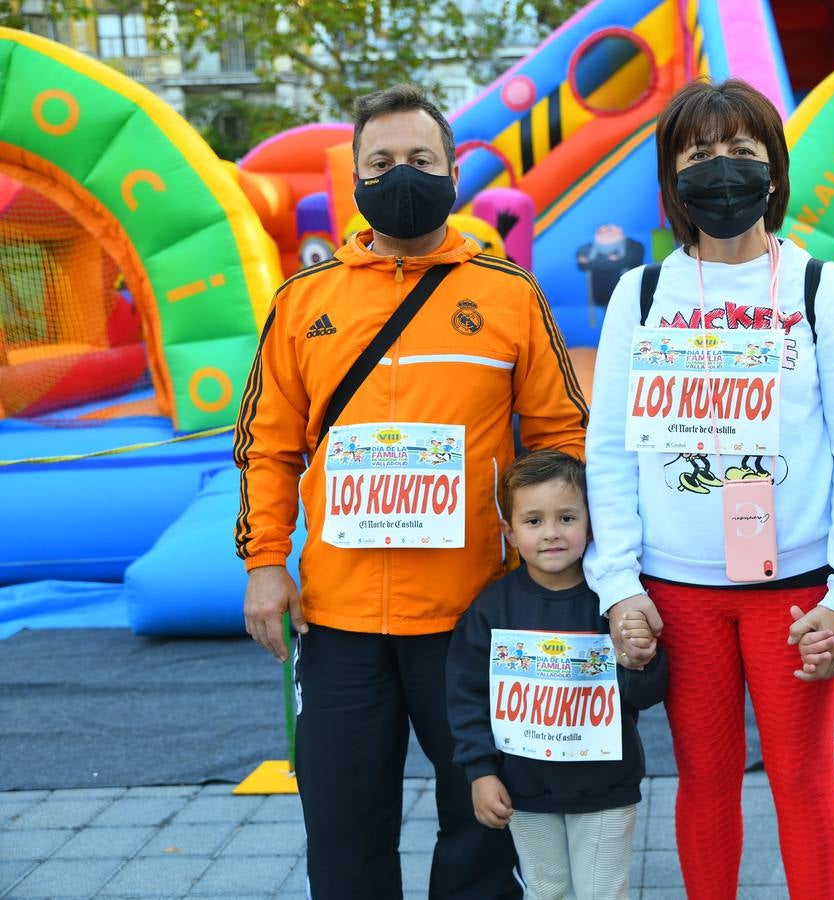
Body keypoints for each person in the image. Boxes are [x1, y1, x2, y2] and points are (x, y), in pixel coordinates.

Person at [234, 83, 588, 900]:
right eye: (382, 161)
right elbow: (268, 447)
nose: (402, 174)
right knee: (343, 824)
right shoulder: (303, 304)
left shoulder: (509, 298)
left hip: (473, 613)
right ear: (352, 178)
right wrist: (263, 563)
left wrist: (553, 560)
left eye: (421, 160)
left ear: (453, 172)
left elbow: (562, 438)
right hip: (341, 619)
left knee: (484, 822)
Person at [584, 78, 834, 900]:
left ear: (775, 171)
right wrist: (617, 585)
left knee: (802, 778)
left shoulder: (826, 291)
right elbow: (608, 449)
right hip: (678, 591)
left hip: (797, 592)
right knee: (704, 779)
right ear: (672, 177)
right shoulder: (640, 296)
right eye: (700, 155)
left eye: (742, 153)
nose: (722, 171)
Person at [446, 450, 666, 900]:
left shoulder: (613, 602)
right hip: (523, 789)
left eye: (566, 518)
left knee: (602, 892)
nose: (551, 533)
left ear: (592, 523)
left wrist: (640, 661)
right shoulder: (491, 610)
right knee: (546, 891)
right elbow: (467, 697)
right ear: (509, 532)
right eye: (533, 521)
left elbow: (644, 695)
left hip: (605, 789)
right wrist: (480, 771)